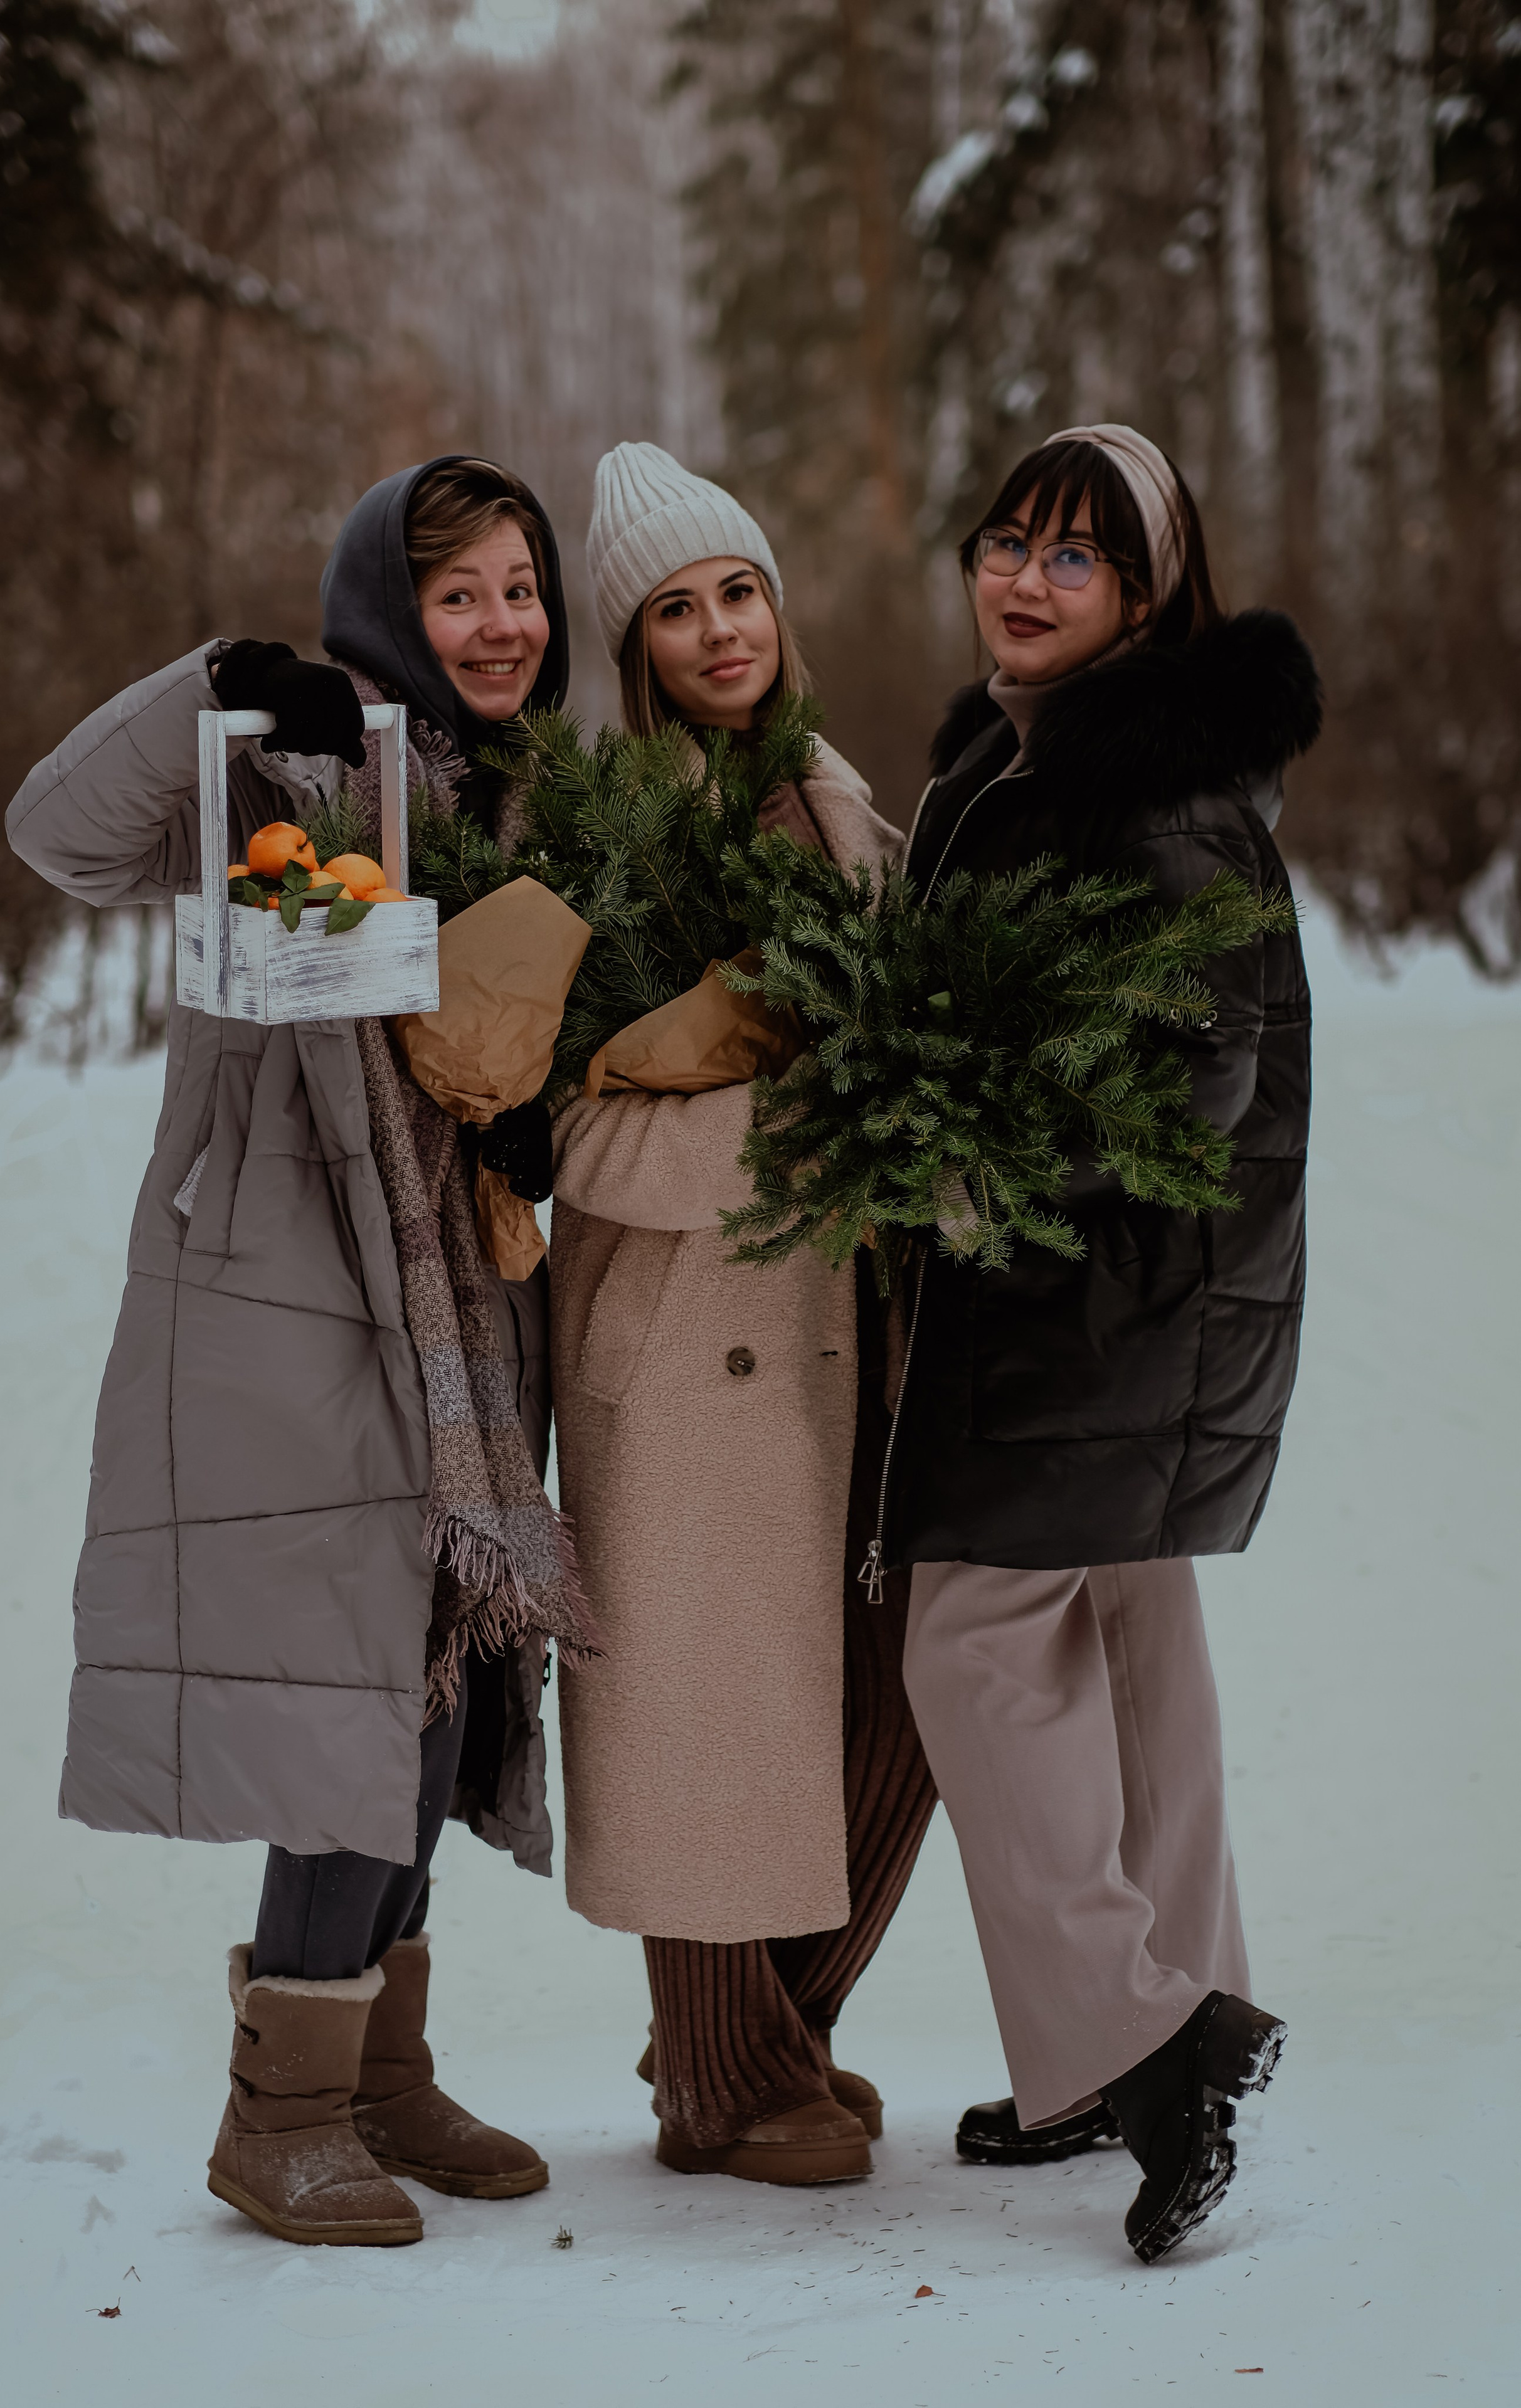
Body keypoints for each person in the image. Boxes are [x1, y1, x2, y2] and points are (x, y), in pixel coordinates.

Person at [4, 455, 593, 2248]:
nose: (501, 626)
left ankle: (378, 2076)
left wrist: (535, 1123)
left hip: (463, 1309)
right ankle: (283, 2117)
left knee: (438, 1680)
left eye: (520, 587)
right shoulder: (263, 768)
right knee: (361, 1693)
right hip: (299, 1292)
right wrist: (212, 687)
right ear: (381, 612)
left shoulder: (533, 802)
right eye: (458, 595)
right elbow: (57, 833)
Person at [881, 423, 1319, 2261]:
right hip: (1131, 1304)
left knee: (974, 1641)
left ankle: (1143, 2040)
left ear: (1145, 596)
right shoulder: (1031, 752)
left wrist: (976, 1159)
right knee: (1133, 1649)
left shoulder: (1147, 783)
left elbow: (1191, 1068)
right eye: (1008, 540)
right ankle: (1157, 2016)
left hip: (1101, 1296)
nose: (1025, 577)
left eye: (1077, 556)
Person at [546, 441, 938, 2187]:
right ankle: (725, 2073)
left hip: (845, 1320)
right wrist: (802, 1128)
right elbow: (572, 1129)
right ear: (634, 647)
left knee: (898, 1691)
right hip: (680, 1319)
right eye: (679, 608)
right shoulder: (604, 842)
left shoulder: (845, 804)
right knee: (711, 1702)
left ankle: (763, 2029)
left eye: (740, 589)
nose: (721, 630)